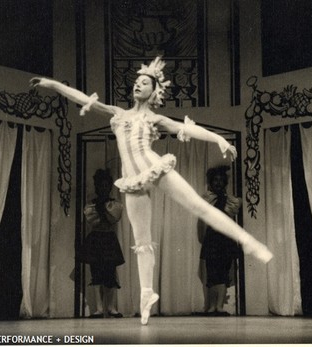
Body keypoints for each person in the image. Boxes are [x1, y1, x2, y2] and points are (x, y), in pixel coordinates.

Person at [30, 56, 273, 325]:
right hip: (132, 178)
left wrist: (218, 139)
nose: (137, 85)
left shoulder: (155, 118)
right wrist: (52, 84)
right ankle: (147, 294)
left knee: (198, 205)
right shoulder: (117, 113)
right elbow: (82, 97)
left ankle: (248, 242)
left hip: (154, 166)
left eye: (144, 82)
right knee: (142, 241)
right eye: (136, 81)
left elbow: (185, 128)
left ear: (154, 91)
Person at [79, 169, 124, 318]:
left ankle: (111, 308)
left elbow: (113, 218)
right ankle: (98, 308)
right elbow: (92, 220)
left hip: (109, 239)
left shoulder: (114, 204)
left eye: (106, 186)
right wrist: (100, 210)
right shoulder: (90, 205)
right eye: (101, 185)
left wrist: (103, 210)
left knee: (110, 273)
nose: (104, 188)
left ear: (110, 187)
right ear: (97, 187)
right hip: (96, 239)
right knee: (96, 273)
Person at [198, 166, 241, 316]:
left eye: (220, 180)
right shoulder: (206, 199)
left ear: (224, 183)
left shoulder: (229, 200)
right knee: (211, 273)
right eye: (215, 180)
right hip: (211, 239)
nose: (217, 183)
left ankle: (219, 306)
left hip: (224, 240)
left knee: (223, 272)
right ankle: (210, 306)